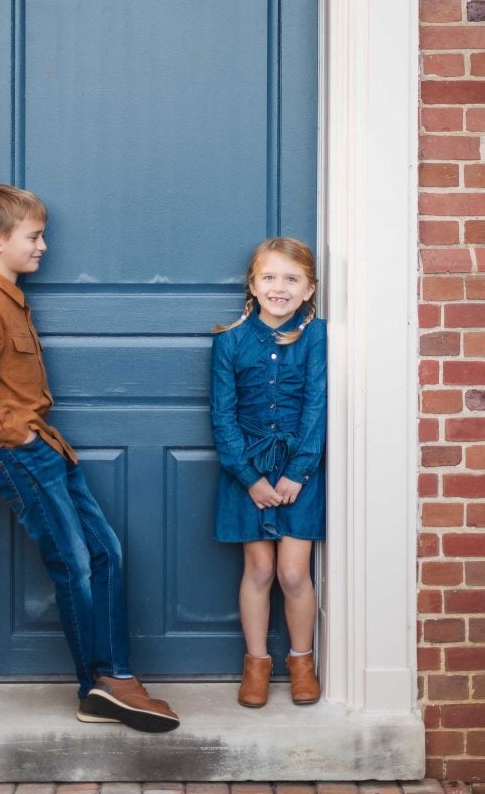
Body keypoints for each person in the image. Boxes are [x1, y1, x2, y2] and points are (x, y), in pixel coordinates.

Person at [0, 183, 180, 733]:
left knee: (106, 550)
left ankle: (116, 675)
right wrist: (23, 438)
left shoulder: (11, 301)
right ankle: (96, 683)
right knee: (74, 562)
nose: (44, 247)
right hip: (15, 452)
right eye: (34, 237)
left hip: (47, 448)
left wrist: (38, 440)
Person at [210, 237, 326, 708]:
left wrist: (298, 471)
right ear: (253, 285)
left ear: (308, 289)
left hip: (302, 470)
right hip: (248, 471)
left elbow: (317, 405)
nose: (280, 287)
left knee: (294, 572)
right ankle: (256, 662)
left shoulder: (318, 337)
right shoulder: (229, 342)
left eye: (292, 279)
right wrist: (249, 477)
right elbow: (222, 416)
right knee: (258, 568)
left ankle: (302, 660)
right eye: (270, 277)